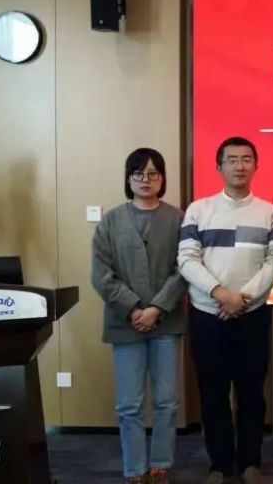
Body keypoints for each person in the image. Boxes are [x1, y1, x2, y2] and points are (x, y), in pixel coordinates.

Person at [178, 137, 273, 484]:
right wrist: (221, 294)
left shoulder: (268, 212)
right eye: (232, 160)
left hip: (251, 316)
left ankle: (250, 461)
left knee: (252, 393)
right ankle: (220, 465)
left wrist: (243, 299)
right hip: (208, 315)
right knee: (213, 394)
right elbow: (186, 259)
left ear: (256, 165)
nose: (240, 166)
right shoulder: (199, 210)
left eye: (246, 159)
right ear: (219, 167)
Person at [91, 148, 185, 484]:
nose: (146, 180)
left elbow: (184, 268)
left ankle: (160, 464)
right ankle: (135, 469)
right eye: (138, 173)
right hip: (125, 324)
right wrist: (133, 308)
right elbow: (101, 274)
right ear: (128, 179)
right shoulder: (111, 220)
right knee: (129, 404)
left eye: (153, 173)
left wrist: (157, 308)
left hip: (166, 322)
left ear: (162, 178)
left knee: (166, 401)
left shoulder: (178, 219)